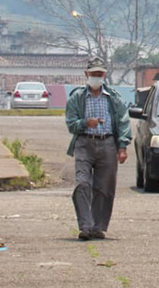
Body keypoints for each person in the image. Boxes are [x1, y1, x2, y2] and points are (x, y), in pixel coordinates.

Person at [65, 57, 131, 241]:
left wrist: (122, 147)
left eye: (99, 74)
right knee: (82, 183)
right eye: (93, 74)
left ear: (104, 75)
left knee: (104, 187)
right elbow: (71, 124)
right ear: (86, 74)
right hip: (84, 143)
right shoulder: (77, 97)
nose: (96, 77)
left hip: (108, 143)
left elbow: (123, 122)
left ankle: (98, 226)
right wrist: (86, 123)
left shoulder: (114, 98)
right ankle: (85, 226)